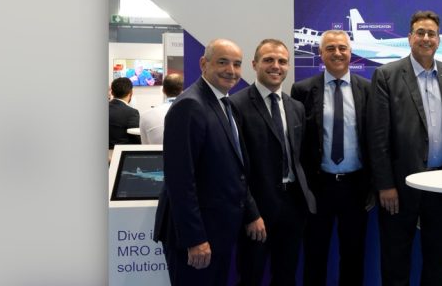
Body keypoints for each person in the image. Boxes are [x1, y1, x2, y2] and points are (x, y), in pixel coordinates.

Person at [154, 39, 263, 286]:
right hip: (196, 239)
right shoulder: (190, 105)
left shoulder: (224, 103)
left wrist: (251, 213)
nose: (231, 70)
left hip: (218, 232)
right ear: (204, 64)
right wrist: (195, 239)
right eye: (223, 62)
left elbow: (235, 169)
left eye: (237, 64)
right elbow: (180, 180)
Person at [367, 11, 442, 286]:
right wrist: (385, 185)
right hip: (400, 185)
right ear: (409, 38)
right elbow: (377, 135)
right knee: (396, 259)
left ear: (439, 39)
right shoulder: (387, 75)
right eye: (420, 32)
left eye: (432, 33)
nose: (426, 38)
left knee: (439, 259)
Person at [230, 39, 316, 286]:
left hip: (294, 207)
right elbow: (236, 168)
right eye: (268, 60)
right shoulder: (236, 105)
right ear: (254, 64)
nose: (276, 66)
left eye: (282, 61)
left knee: (286, 276)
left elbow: (302, 157)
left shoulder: (296, 107)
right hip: (257, 209)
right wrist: (251, 214)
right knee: (251, 276)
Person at [291, 30, 372, 286]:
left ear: (350, 52)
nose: (337, 53)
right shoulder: (302, 90)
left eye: (342, 48)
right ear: (320, 54)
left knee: (354, 256)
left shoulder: (368, 89)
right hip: (318, 187)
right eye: (330, 48)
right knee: (314, 255)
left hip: (355, 187)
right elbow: (297, 143)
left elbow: (375, 139)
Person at [139, 73, 183, 144]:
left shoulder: (145, 116)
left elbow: (145, 146)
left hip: (155, 151)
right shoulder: (192, 113)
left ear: (163, 90)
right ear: (182, 91)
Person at [109, 77, 140, 149]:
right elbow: (136, 138)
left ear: (112, 92)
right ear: (131, 92)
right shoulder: (132, 112)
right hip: (122, 152)